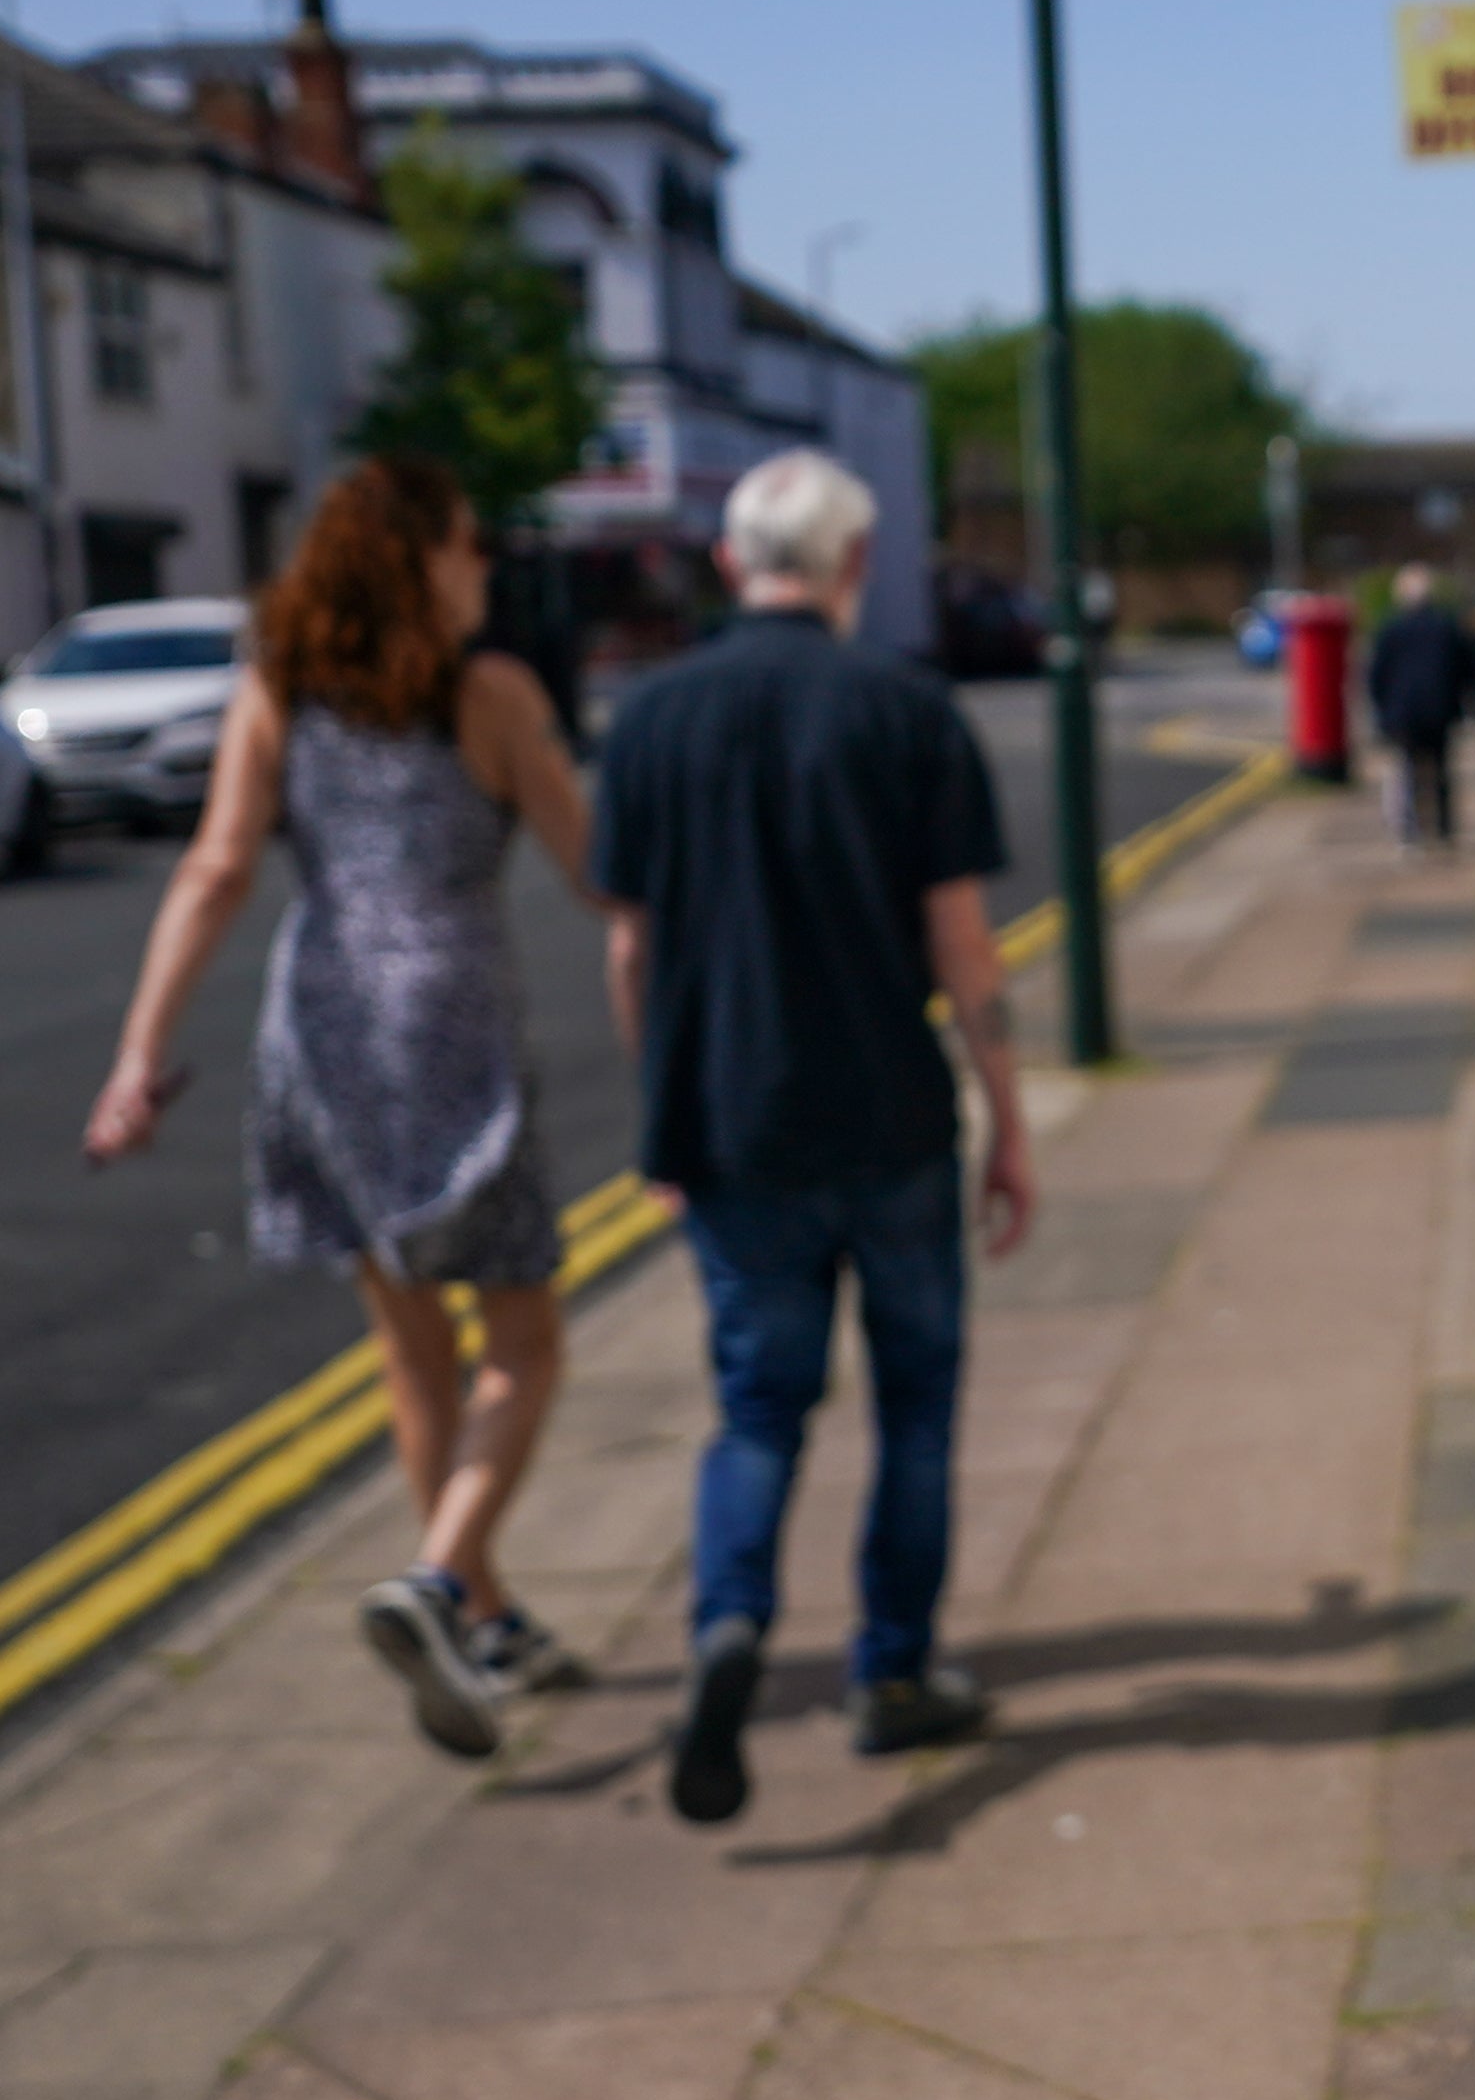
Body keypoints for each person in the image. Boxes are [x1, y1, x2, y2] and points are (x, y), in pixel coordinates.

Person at [84, 456, 598, 1757]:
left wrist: (139, 1057)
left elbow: (213, 869)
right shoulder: (487, 696)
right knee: (524, 1340)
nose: (484, 566)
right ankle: (440, 1581)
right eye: (470, 545)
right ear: (416, 560)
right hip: (447, 1036)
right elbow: (602, 869)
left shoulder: (278, 691)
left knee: (414, 1352)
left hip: (317, 1036)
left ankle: (477, 1617)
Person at [594, 449, 1035, 1825]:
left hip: (734, 1128)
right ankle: (892, 1675)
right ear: (853, 566)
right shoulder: (904, 708)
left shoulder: (651, 720)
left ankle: (729, 1626)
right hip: (893, 1119)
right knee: (915, 1404)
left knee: (758, 1406)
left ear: (732, 564)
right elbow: (963, 947)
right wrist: (1007, 1121)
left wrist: (664, 1113)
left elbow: (632, 951)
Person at [1365, 563, 1475, 846]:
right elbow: (1469, 667)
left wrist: (1381, 710)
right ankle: (1444, 829)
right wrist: (1473, 702)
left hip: (1403, 712)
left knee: (1408, 770)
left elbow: (1376, 674)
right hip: (1440, 709)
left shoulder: (1392, 628)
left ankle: (1411, 830)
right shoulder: (1446, 625)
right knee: (1441, 770)